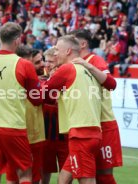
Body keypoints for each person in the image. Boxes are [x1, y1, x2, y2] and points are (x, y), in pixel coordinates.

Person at [0, 22, 42, 184]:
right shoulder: (24, 64)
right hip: (13, 128)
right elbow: (37, 98)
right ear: (17, 40)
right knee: (24, 174)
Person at [43, 35, 102, 184]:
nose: (55, 53)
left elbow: (42, 94)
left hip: (82, 134)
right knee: (63, 180)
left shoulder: (67, 69)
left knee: (86, 180)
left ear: (68, 51)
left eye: (57, 49)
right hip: (89, 132)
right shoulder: (86, 69)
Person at [71, 29, 123, 184]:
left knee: (103, 175)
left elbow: (110, 83)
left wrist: (89, 66)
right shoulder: (73, 63)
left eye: (73, 41)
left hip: (103, 123)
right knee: (86, 174)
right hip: (85, 126)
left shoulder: (95, 60)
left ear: (83, 43)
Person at [6, 46, 45, 184]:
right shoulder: (33, 81)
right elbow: (38, 99)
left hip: (17, 133)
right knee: (26, 177)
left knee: (15, 177)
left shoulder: (10, 76)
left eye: (42, 60)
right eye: (37, 62)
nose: (43, 64)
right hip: (30, 135)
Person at [41, 47, 69, 184]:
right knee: (44, 170)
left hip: (64, 132)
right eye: (46, 61)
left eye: (51, 61)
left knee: (67, 171)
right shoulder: (41, 79)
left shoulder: (68, 76)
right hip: (47, 132)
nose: (47, 64)